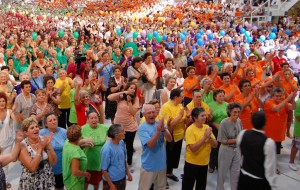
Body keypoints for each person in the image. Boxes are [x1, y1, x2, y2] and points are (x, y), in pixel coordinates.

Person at [237, 111, 277, 190]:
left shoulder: (243, 133)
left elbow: (240, 153)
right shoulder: (269, 142)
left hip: (243, 176)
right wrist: (273, 186)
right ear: (265, 124)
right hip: (259, 181)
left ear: (251, 122)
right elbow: (270, 169)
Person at [138, 104, 172, 190]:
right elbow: (150, 145)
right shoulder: (142, 128)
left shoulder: (160, 123)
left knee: (161, 188)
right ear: (144, 114)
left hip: (161, 165)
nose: (152, 115)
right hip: (149, 166)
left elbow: (170, 139)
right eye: (149, 113)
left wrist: (163, 130)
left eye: (153, 112)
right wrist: (158, 131)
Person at [182, 107, 217, 190]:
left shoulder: (206, 127)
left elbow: (215, 145)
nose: (205, 117)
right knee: (188, 186)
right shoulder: (190, 130)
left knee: (201, 186)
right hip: (192, 163)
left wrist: (210, 138)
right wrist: (205, 137)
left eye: (205, 115)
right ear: (195, 118)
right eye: (202, 116)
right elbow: (193, 149)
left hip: (204, 163)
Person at [108, 82, 139, 172]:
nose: (132, 90)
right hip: (118, 127)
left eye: (134, 89)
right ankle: (120, 163)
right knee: (118, 146)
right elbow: (109, 97)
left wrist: (129, 101)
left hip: (130, 127)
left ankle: (129, 165)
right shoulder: (121, 97)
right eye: (131, 88)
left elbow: (133, 112)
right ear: (127, 88)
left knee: (129, 147)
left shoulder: (135, 99)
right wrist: (122, 92)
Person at [18, 117, 57, 189]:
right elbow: (32, 168)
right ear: (26, 132)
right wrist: (41, 148)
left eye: (36, 126)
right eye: (32, 128)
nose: (36, 129)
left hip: (47, 179)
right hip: (31, 182)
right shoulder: (22, 145)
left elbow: (53, 162)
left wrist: (48, 145)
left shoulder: (44, 139)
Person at [217, 103, 242, 190]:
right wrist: (237, 140)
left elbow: (240, 134)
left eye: (238, 112)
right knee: (222, 174)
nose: (237, 114)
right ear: (229, 112)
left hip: (237, 150)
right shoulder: (224, 123)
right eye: (234, 112)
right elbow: (222, 140)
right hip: (226, 150)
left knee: (236, 173)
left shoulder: (239, 120)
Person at [81, 111, 109, 190]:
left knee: (96, 181)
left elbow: (111, 139)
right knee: (86, 180)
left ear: (98, 118)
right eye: (91, 118)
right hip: (87, 160)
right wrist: (85, 144)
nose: (94, 120)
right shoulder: (82, 129)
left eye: (96, 118)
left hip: (99, 160)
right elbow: (77, 145)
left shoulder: (105, 128)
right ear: (88, 119)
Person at [101, 124, 133, 190]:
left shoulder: (121, 143)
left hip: (122, 178)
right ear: (116, 135)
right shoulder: (107, 149)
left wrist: (128, 173)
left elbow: (123, 159)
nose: (125, 132)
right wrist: (111, 184)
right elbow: (104, 169)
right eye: (122, 131)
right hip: (111, 181)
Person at [40, 113, 67, 190]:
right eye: (50, 120)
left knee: (59, 186)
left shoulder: (64, 132)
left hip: (60, 166)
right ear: (46, 123)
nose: (53, 122)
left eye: (55, 119)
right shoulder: (41, 133)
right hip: (46, 167)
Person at [62, 125, 91, 190]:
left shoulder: (67, 143)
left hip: (68, 178)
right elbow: (75, 171)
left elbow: (75, 145)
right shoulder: (75, 153)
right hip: (75, 183)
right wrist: (86, 174)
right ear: (79, 137)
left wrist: (84, 145)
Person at [289, 93, 300, 171]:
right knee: (296, 146)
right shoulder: (298, 103)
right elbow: (297, 116)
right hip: (298, 130)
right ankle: (291, 162)